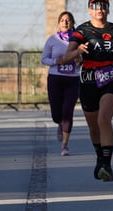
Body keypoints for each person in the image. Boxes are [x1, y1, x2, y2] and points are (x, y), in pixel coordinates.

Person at [61, 0, 113, 182]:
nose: (99, 9)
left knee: (104, 118)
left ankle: (107, 165)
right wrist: (78, 50)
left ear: (108, 9)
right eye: (95, 6)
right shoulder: (81, 31)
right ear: (89, 10)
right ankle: (100, 160)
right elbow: (66, 56)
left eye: (103, 5)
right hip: (88, 82)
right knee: (93, 127)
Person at [41, 11, 80, 156]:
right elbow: (44, 59)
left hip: (73, 79)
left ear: (72, 23)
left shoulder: (77, 41)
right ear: (58, 23)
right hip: (55, 78)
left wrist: (79, 60)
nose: (65, 22)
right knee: (56, 114)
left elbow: (85, 59)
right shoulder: (52, 40)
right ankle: (59, 123)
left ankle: (65, 145)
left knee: (68, 111)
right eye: (63, 20)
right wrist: (56, 61)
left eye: (68, 20)